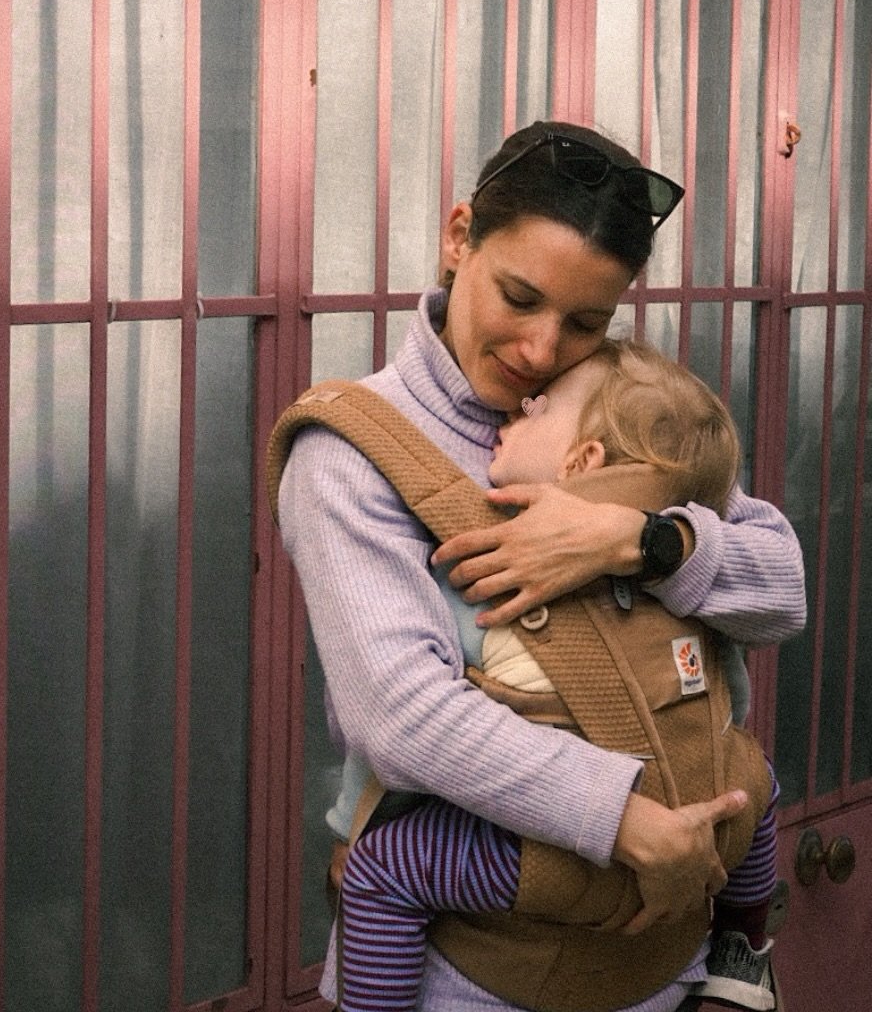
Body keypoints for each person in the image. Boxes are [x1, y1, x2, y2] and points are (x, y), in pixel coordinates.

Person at [276, 121, 805, 1012]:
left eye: (585, 322)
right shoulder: (352, 450)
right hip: (471, 972)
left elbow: (780, 589)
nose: (540, 350)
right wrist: (624, 820)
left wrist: (634, 540)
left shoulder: (619, 406)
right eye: (519, 297)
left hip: (657, 967)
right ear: (458, 240)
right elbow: (401, 714)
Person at [336, 337, 782, 1012]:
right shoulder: (687, 564)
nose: (521, 406)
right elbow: (733, 706)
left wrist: (352, 824)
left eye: (538, 411)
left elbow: (402, 713)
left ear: (583, 460)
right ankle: (741, 952)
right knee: (760, 783)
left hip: (547, 851)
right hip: (707, 828)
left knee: (384, 866)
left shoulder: (486, 561)